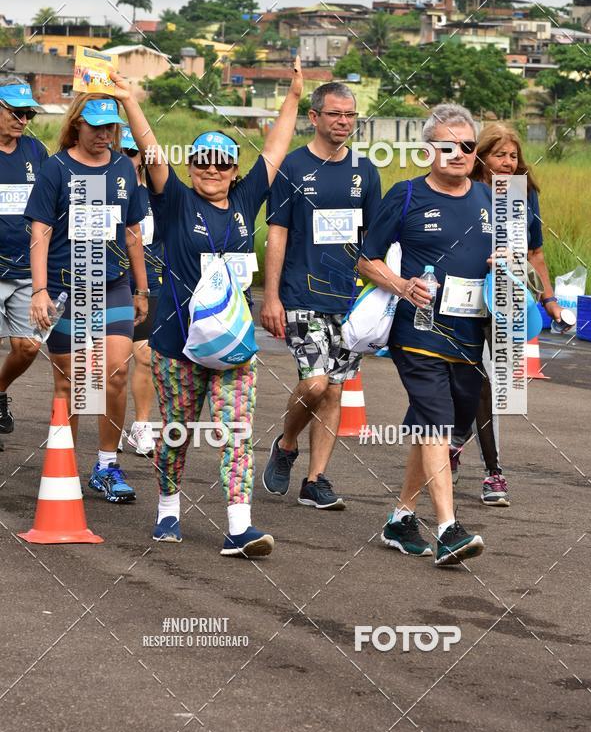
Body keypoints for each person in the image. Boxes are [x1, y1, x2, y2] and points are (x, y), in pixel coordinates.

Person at [113, 59, 303, 556]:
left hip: (236, 343)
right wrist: (131, 101)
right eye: (201, 162)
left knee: (235, 431)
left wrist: (294, 96)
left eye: (221, 164)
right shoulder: (174, 200)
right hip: (178, 344)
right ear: (191, 166)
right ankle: (168, 510)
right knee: (176, 432)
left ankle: (239, 528)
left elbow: (278, 148)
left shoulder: (245, 201)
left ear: (235, 170)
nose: (211, 171)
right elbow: (153, 154)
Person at [357, 104, 490, 567]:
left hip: (471, 337)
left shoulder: (492, 200)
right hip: (418, 333)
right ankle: (449, 528)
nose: (458, 155)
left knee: (439, 428)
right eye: (447, 146)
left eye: (467, 147)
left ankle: (401, 516)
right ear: (429, 149)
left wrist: (504, 269)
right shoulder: (407, 195)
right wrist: (400, 284)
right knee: (434, 418)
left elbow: (523, 259)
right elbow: (366, 257)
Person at [261, 82, 381, 510]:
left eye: (350, 115)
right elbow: (277, 233)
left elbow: (373, 239)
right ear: (314, 117)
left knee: (334, 391)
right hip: (300, 294)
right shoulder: (293, 168)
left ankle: (316, 480)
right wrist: (270, 296)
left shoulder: (366, 170)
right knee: (313, 385)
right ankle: (287, 443)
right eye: (335, 114)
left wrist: (381, 294)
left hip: (347, 299)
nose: (343, 122)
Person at [26, 94, 148, 503]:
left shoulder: (122, 168)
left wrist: (141, 287)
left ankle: (106, 465)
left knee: (114, 373)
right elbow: (40, 233)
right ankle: (64, 467)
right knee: (74, 382)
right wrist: (39, 291)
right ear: (77, 125)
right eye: (95, 126)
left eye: (110, 127)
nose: (103, 135)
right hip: (64, 287)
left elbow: (133, 233)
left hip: (112, 285)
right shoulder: (55, 169)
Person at [466, 121, 562, 506]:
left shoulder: (524, 196)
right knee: (468, 379)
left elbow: (535, 253)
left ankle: (493, 473)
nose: (507, 162)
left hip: (505, 295)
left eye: (513, 156)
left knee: (494, 380)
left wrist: (549, 298)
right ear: (481, 157)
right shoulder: (465, 190)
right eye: (499, 155)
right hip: (463, 296)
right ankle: (456, 442)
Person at [0, 81, 47, 442]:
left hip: (27, 269)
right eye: (17, 112)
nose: (24, 119)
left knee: (28, 346)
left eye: (28, 114)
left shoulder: (36, 150)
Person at [119, 126, 163, 457]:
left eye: (135, 152)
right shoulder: (103, 188)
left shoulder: (158, 194)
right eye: (123, 152)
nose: (129, 158)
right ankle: (107, 426)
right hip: (111, 280)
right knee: (110, 364)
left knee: (145, 356)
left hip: (149, 284)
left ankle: (141, 427)